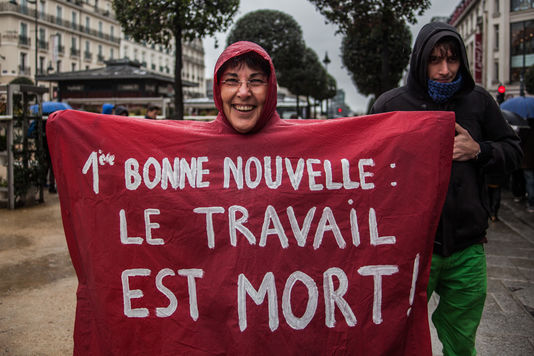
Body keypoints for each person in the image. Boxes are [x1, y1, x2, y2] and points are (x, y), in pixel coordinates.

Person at [371, 22, 522, 356]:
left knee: (461, 341)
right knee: (398, 337)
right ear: (420, 60)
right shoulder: (391, 104)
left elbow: (514, 151)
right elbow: (368, 170)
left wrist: (478, 151)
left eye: (451, 60)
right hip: (408, 250)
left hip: (467, 247)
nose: (444, 70)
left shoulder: (479, 101)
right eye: (434, 60)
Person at [213, 41, 277, 134]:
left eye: (256, 81)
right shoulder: (194, 143)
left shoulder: (300, 142)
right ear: (218, 90)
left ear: (271, 89)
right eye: (232, 81)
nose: (243, 93)